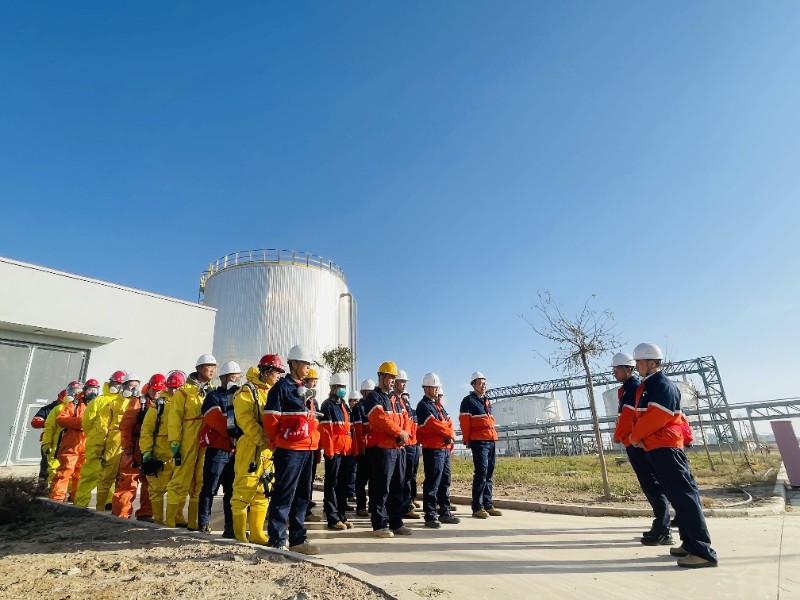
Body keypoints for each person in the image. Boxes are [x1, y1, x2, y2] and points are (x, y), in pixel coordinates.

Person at [629, 342, 718, 569]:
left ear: (651, 363)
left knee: (684, 497)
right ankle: (689, 544)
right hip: (657, 447)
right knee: (678, 498)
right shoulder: (650, 385)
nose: (636, 366)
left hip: (666, 448)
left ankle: (703, 551)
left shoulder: (662, 385)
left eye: (639, 362)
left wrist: (635, 436)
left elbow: (656, 417)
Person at [263, 345, 321, 555]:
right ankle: (277, 540)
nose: (308, 368)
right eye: (305, 364)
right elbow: (270, 420)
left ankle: (298, 540)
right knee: (284, 494)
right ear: (294, 364)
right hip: (289, 450)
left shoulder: (305, 390)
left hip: (308, 449)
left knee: (303, 496)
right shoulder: (281, 388)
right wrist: (277, 442)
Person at [611, 352, 672, 545]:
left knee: (652, 484)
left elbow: (629, 418)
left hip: (636, 443)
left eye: (617, 369)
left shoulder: (633, 388)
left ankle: (663, 528)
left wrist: (619, 435)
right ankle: (662, 524)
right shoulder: (627, 389)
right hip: (633, 441)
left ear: (627, 369)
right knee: (651, 483)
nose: (614, 372)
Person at [231, 357, 282, 544]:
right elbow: (245, 420)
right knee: (244, 489)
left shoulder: (273, 392)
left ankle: (257, 534)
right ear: (266, 372)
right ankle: (239, 535)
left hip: (267, 448)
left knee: (264, 489)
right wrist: (263, 440)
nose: (278, 376)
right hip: (250, 446)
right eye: (276, 372)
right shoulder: (247, 391)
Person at [166, 354, 216, 529]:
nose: (212, 370)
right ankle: (171, 520)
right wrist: (175, 441)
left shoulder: (213, 391)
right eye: (208, 366)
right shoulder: (183, 392)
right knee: (180, 478)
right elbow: (174, 418)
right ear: (199, 368)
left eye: (214, 367)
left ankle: (194, 522)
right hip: (187, 439)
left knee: (200, 480)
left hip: (206, 439)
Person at [363, 361, 411, 538]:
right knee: (381, 487)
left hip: (398, 448)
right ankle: (379, 524)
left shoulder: (395, 399)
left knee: (398, 487)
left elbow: (405, 418)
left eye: (394, 378)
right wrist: (399, 432)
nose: (392, 381)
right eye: (390, 377)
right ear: (381, 377)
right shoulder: (373, 397)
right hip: (383, 449)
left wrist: (404, 433)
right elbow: (379, 418)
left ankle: (396, 523)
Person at [198, 361, 242, 536]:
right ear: (223, 378)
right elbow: (214, 420)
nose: (235, 381)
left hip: (234, 451)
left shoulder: (241, 397)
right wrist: (232, 436)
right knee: (210, 488)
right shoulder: (213, 397)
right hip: (218, 451)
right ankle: (203, 523)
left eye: (237, 378)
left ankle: (230, 527)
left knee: (232, 491)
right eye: (232, 378)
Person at [74, 371, 126, 507]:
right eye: (116, 383)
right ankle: (80, 503)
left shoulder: (125, 402)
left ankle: (108, 501)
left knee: (110, 474)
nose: (118, 386)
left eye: (121, 384)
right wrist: (94, 437)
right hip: (97, 443)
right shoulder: (99, 401)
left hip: (114, 444)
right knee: (90, 474)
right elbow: (87, 422)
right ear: (110, 382)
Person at [113, 375, 161, 520]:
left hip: (151, 447)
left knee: (150, 482)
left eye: (159, 390)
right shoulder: (138, 402)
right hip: (134, 446)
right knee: (129, 481)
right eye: (155, 389)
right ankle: (121, 513)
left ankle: (146, 513)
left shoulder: (162, 403)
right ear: (149, 387)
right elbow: (126, 425)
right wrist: (127, 446)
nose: (157, 392)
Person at [140, 370, 184, 524]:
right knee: (157, 489)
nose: (174, 391)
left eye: (177, 388)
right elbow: (147, 430)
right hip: (160, 453)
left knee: (179, 487)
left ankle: (177, 518)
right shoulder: (159, 405)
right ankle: (158, 520)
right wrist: (146, 451)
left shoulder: (184, 402)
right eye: (171, 388)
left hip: (180, 451)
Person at [416, 373, 460, 528]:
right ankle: (430, 515)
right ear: (426, 388)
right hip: (433, 450)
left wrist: (450, 432)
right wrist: (449, 433)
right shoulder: (423, 406)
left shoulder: (437, 406)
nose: (436, 390)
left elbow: (448, 421)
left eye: (437, 387)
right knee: (433, 482)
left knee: (445, 481)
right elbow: (433, 424)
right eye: (434, 387)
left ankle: (445, 512)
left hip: (444, 449)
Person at [95, 373, 140, 511]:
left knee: (124, 479)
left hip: (130, 443)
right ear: (124, 386)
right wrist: (99, 447)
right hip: (113, 443)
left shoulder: (140, 404)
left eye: (136, 386)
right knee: (106, 476)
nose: (134, 389)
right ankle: (100, 508)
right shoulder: (113, 403)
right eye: (131, 386)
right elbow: (102, 427)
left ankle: (118, 510)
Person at [459, 372, 502, 519]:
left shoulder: (486, 401)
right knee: (481, 472)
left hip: (490, 439)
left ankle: (488, 504)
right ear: (473, 385)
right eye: (480, 383)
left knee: (489, 472)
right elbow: (464, 421)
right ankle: (477, 507)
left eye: (485, 383)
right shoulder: (468, 401)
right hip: (479, 441)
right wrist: (466, 439)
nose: (483, 386)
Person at [319, 372, 355, 530]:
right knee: (332, 484)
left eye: (344, 387)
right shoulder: (327, 405)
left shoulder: (344, 406)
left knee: (343, 484)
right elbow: (326, 431)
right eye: (340, 387)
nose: (343, 389)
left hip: (346, 450)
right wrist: (330, 451)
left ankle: (341, 516)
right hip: (334, 450)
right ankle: (333, 518)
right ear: (333, 388)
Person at [50, 381, 96, 501]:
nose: (93, 392)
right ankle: (57, 497)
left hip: (88, 441)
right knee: (65, 469)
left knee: (82, 473)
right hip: (72, 440)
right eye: (90, 389)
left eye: (95, 389)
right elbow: (61, 419)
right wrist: (81, 423)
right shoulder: (74, 403)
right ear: (85, 390)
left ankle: (77, 498)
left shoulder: (96, 404)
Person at [41, 382, 80, 488]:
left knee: (73, 470)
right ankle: (53, 491)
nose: (74, 394)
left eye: (77, 392)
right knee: (55, 468)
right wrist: (47, 443)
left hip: (74, 444)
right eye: (73, 392)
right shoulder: (59, 409)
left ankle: (67, 492)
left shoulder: (81, 409)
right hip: (58, 444)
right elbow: (49, 427)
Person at [395, 371, 421, 519]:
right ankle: (402, 506)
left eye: (406, 382)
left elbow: (409, 424)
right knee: (402, 478)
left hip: (411, 445)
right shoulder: (393, 400)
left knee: (409, 477)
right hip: (402, 445)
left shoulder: (406, 404)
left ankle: (407, 504)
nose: (404, 384)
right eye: (402, 381)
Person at [31, 389, 67, 485]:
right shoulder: (49, 409)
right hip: (49, 441)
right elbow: (35, 422)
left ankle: (57, 487)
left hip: (66, 442)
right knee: (46, 465)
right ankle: (42, 486)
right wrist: (50, 423)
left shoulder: (75, 408)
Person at [302, 367, 322, 523]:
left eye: (315, 382)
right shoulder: (300, 397)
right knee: (301, 482)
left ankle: (306, 507)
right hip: (301, 444)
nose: (314, 384)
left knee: (308, 480)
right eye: (312, 381)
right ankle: (302, 511)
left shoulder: (313, 401)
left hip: (312, 445)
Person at [352, 379, 374, 517]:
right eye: (369, 392)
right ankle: (361, 506)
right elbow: (358, 430)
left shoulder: (374, 406)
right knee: (361, 479)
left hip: (374, 447)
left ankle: (373, 505)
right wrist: (361, 448)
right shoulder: (358, 408)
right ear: (363, 392)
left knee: (374, 479)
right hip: (364, 449)